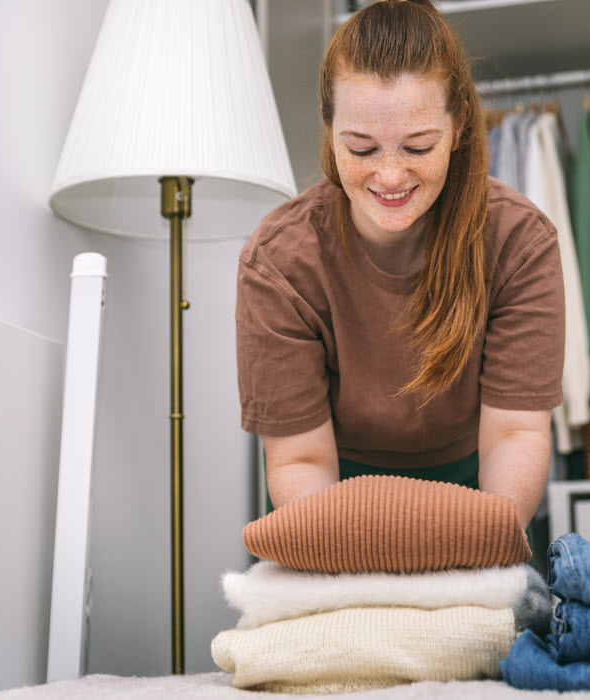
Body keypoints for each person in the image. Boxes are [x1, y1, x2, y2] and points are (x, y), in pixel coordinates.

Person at [235, 0, 564, 532]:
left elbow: (513, 436)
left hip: (474, 493)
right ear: (329, 126)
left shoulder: (519, 243)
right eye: (361, 149)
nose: (390, 176)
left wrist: (487, 545)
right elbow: (302, 460)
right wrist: (342, 563)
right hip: (326, 500)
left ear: (457, 127)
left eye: (418, 146)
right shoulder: (278, 264)